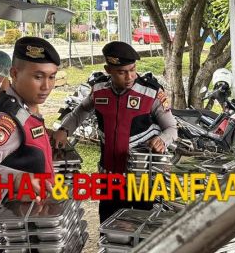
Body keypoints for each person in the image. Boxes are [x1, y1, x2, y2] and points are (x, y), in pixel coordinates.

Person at [51, 41, 178, 222]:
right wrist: (64, 129)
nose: (129, 76)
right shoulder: (99, 89)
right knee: (108, 224)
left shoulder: (151, 92)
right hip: (109, 177)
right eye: (121, 72)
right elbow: (80, 111)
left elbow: (172, 128)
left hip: (142, 178)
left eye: (132, 69)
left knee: (142, 225)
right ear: (108, 70)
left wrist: (162, 140)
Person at [0, 37, 60, 252]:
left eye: (52, 77)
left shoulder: (25, 111)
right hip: (2, 242)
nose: (46, 86)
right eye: (38, 77)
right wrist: (15, 180)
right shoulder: (5, 118)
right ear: (14, 73)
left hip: (23, 236)